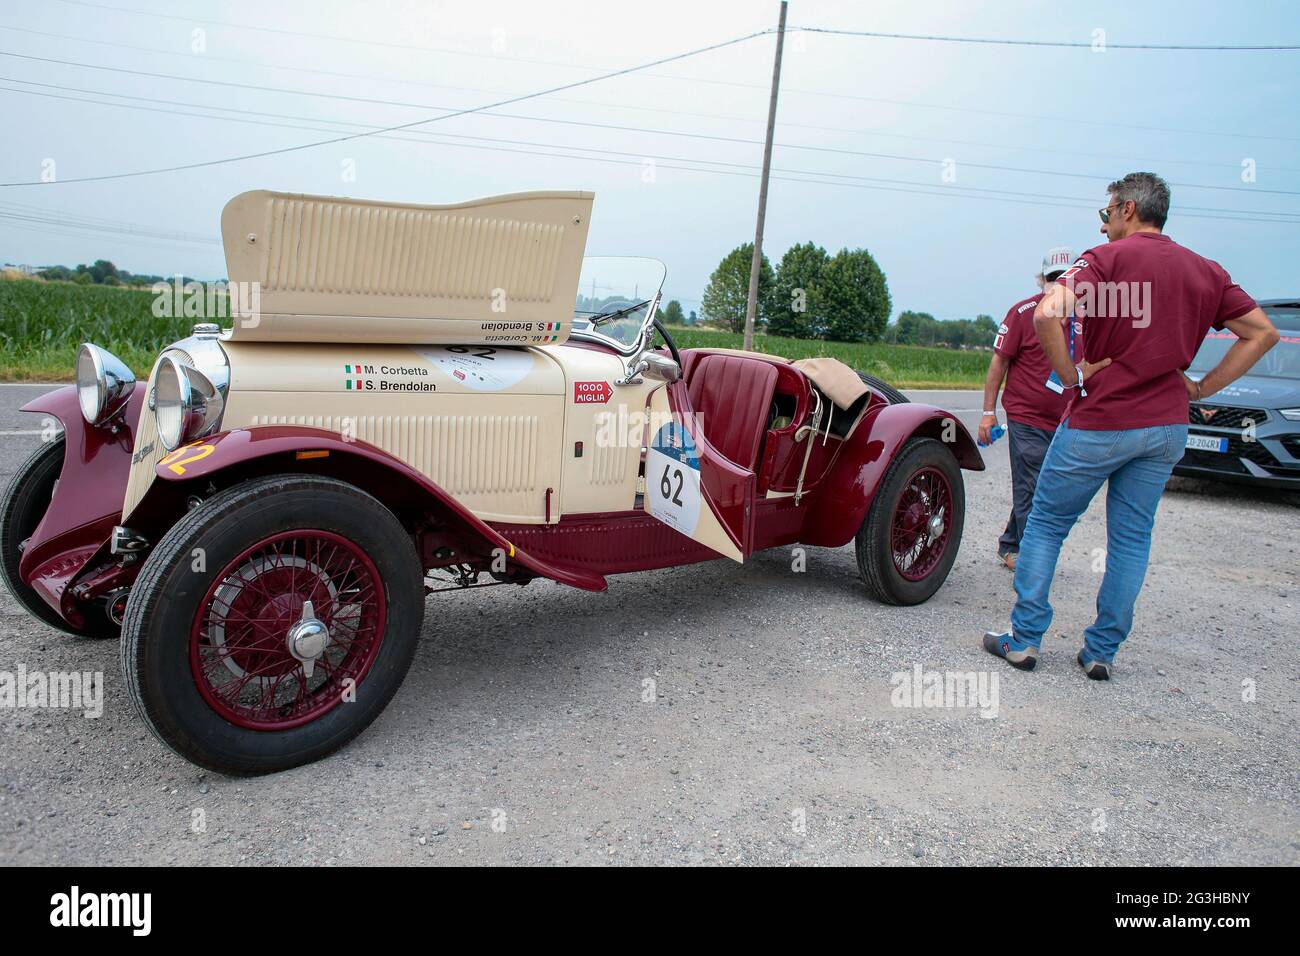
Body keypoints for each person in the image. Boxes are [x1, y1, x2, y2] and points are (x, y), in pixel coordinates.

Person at [982, 172, 1278, 679]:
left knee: (1048, 524)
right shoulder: (1206, 270)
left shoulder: (1103, 261)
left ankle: (1025, 639)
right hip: (1165, 426)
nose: (1101, 227)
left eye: (1105, 214)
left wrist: (1069, 376)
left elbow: (1047, 314)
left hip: (1103, 418)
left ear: (1127, 210)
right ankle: (1101, 651)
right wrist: (1203, 389)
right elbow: (1262, 333)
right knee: (1131, 540)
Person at [980, 247, 1078, 571]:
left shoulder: (1083, 321)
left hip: (1065, 421)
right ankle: (1033, 561)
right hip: (1026, 416)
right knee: (1032, 485)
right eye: (1052, 278)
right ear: (1042, 281)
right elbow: (999, 363)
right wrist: (987, 412)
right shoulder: (1024, 313)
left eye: (1064, 279)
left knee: (1044, 484)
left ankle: (1010, 544)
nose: (1057, 285)